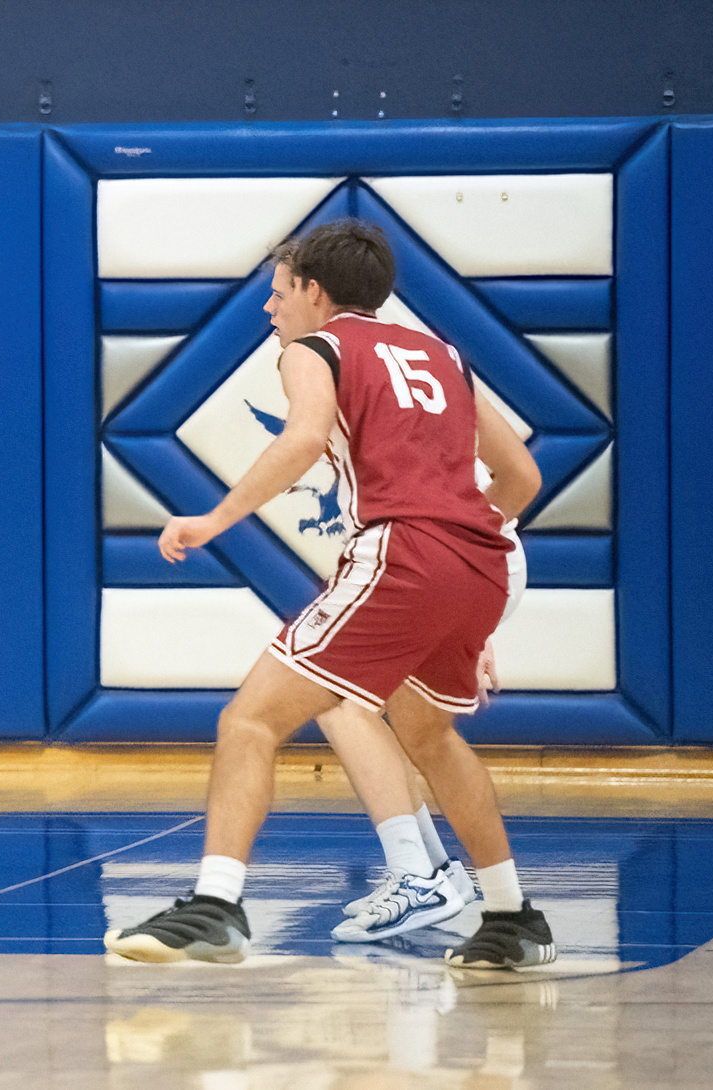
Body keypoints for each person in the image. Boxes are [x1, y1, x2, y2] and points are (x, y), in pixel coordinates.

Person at [104, 219, 557, 969]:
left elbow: (304, 438)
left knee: (249, 720)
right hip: (480, 564)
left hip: (403, 554)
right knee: (430, 737)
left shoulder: (316, 349)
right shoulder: (443, 355)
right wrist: (457, 558)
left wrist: (213, 519)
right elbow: (523, 478)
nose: (270, 308)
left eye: (279, 293)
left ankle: (216, 906)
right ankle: (514, 918)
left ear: (315, 292)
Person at [321, 450, 537, 943]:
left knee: (337, 698)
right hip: (454, 563)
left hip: (445, 564)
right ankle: (438, 872)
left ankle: (417, 877)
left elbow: (500, 485)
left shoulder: (357, 404)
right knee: (397, 722)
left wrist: (467, 596)